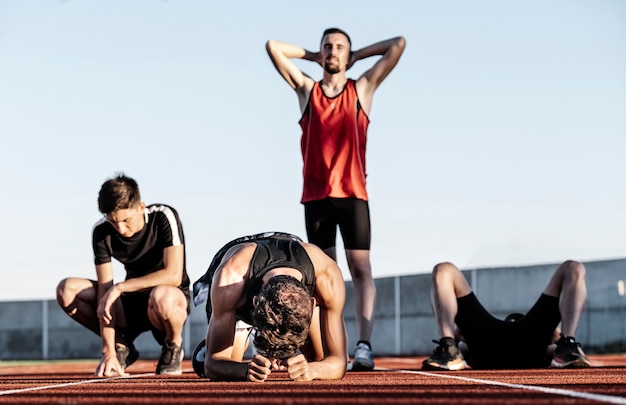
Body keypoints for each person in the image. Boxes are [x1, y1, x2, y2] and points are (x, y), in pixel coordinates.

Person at [266, 28, 406, 371]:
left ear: (348, 53)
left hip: (353, 194)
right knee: (322, 276)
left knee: (360, 269)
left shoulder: (361, 89)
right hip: (316, 197)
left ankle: (364, 345)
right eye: (327, 46)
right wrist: (311, 57)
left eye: (339, 47)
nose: (333, 51)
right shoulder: (307, 91)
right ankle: (329, 348)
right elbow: (273, 47)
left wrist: (358, 55)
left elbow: (397, 45)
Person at [56, 174, 190, 377]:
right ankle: (121, 346)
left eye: (126, 220)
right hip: (131, 306)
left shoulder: (163, 216)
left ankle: (173, 345)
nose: (120, 228)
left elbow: (174, 275)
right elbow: (104, 290)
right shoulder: (101, 231)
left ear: (141, 206)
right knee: (66, 290)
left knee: (162, 296)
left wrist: (119, 288)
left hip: (166, 302)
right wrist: (107, 349)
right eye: (113, 221)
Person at [190, 232, 348, 381]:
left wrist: (313, 369)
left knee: (318, 359)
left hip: (286, 248)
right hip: (241, 282)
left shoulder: (327, 274)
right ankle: (238, 330)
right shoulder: (230, 279)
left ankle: (279, 340)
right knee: (228, 365)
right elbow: (212, 365)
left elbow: (339, 362)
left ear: (312, 303)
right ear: (255, 303)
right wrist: (244, 370)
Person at [422, 260, 591, 370]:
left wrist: (458, 336)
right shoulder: (544, 343)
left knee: (574, 267)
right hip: (509, 342)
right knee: (442, 269)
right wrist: (556, 335)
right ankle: (448, 347)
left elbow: (465, 347)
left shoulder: (542, 343)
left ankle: (568, 344)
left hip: (506, 344)